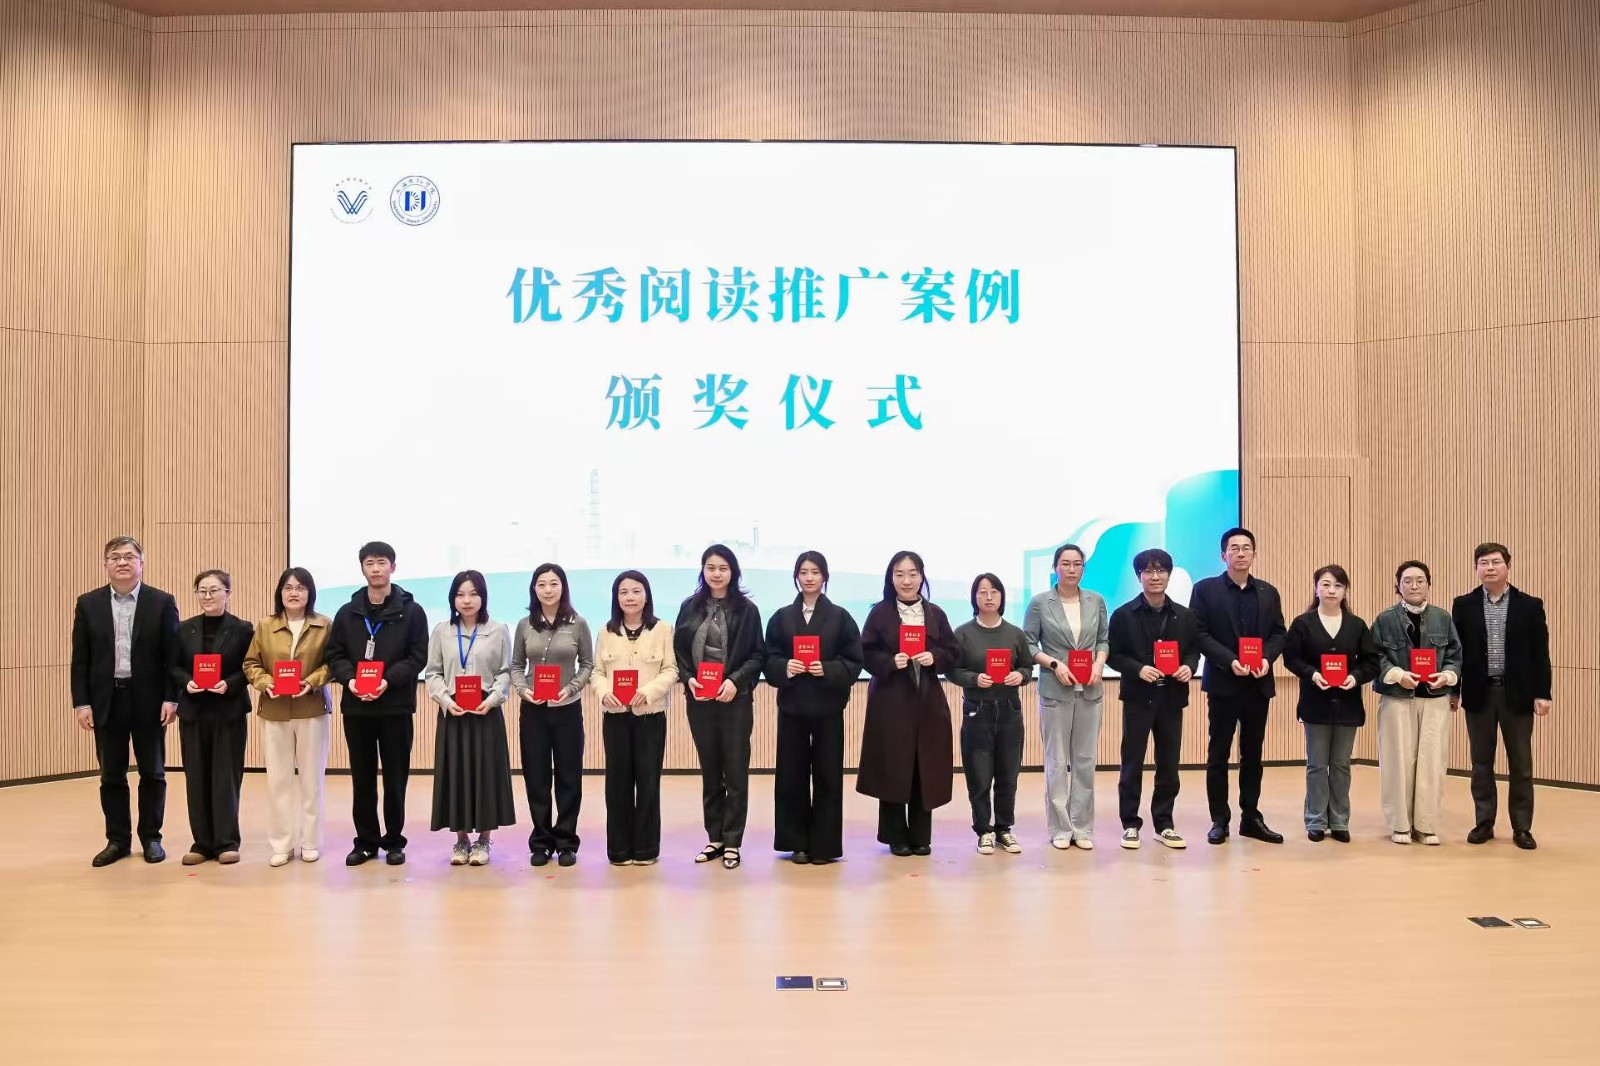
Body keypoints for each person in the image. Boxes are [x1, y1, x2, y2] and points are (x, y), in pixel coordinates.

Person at [70, 536, 181, 866]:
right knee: (111, 775)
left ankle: (151, 838)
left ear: (141, 564)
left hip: (149, 700)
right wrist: (82, 703)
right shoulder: (88, 604)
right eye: (115, 557)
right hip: (106, 701)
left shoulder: (161, 602)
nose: (122, 562)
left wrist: (171, 698)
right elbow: (81, 660)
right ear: (105, 564)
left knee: (153, 773)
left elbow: (172, 658)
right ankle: (117, 840)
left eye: (130, 557)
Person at [324, 541, 429, 867]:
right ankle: (366, 842)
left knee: (396, 779)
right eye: (370, 563)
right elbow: (335, 655)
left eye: (382, 562)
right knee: (362, 778)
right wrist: (350, 680)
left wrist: (388, 681)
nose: (376, 569)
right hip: (357, 707)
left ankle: (394, 841)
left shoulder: (412, 611)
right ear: (363, 569)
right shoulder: (348, 613)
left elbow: (418, 656)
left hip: (395, 706)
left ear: (392, 567)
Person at [1188, 527, 1288, 846]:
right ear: (1223, 555)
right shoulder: (1205, 590)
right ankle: (1220, 819)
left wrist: (1267, 659)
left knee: (1253, 754)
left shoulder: (1268, 592)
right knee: (1218, 753)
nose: (1241, 553)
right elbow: (1198, 633)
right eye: (1234, 548)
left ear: (1254, 554)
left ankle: (1251, 817)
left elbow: (1279, 633)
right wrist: (1229, 660)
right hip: (1224, 682)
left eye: (1247, 548)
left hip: (1257, 683)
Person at [855, 551, 959, 857]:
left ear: (922, 577)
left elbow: (953, 652)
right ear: (891, 578)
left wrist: (934, 657)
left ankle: (920, 835)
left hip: (927, 702)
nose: (906, 581)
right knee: (893, 766)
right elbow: (864, 653)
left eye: (913, 574)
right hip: (890, 701)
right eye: (899, 574)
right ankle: (895, 835)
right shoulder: (879, 613)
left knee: (922, 767)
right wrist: (889, 661)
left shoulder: (936, 613)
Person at [763, 551, 863, 865]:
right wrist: (784, 666)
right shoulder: (781, 617)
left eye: (815, 572)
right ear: (796, 577)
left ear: (825, 577)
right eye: (803, 572)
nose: (809, 578)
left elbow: (854, 660)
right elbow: (768, 658)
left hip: (828, 707)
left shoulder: (841, 617)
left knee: (828, 776)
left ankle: (824, 845)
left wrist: (828, 669)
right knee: (791, 775)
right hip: (792, 707)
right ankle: (797, 843)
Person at [1451, 542, 1552, 850]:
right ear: (1476, 569)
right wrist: (1454, 690)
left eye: (1496, 562)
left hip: (1517, 694)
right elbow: (1456, 652)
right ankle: (1484, 822)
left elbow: (1540, 654)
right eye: (1484, 563)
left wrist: (1542, 693)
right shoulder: (1463, 605)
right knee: (1481, 762)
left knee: (1521, 764)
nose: (1490, 567)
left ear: (1508, 566)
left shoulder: (1530, 605)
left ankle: (1522, 827)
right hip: (1479, 694)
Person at [674, 544, 765, 869]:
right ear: (703, 570)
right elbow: (679, 653)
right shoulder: (689, 607)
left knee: (736, 772)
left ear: (733, 572)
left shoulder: (747, 610)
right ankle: (715, 837)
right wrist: (689, 679)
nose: (716, 574)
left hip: (734, 700)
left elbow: (758, 655)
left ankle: (733, 841)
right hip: (700, 700)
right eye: (711, 567)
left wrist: (735, 682)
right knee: (710, 771)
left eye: (723, 568)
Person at [1106, 548, 1199, 850]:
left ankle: (1164, 824)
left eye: (1160, 570)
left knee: (1169, 764)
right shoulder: (1123, 615)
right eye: (1148, 571)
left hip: (1172, 698)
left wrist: (1189, 666)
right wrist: (1138, 668)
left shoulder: (1184, 615)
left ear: (1169, 575)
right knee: (1132, 762)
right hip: (1138, 697)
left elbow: (1193, 650)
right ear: (1139, 576)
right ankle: (1130, 825)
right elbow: (1113, 655)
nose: (1155, 576)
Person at [1282, 565, 1381, 842]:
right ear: (1316, 589)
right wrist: (1312, 674)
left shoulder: (1356, 625)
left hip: (1348, 704)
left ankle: (1339, 820)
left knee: (1340, 765)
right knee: (1316, 765)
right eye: (1325, 585)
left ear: (1345, 591)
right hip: (1315, 704)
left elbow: (1372, 662)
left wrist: (1355, 677)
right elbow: (1291, 657)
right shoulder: (1303, 623)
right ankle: (1315, 819)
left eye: (1338, 585)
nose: (1331, 591)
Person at [242, 567, 334, 866]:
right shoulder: (266, 625)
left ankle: (310, 841)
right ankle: (281, 844)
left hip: (311, 710)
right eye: (288, 588)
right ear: (280, 593)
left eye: (300, 588)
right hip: (274, 711)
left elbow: (332, 663)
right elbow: (251, 663)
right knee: (278, 780)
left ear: (310, 593)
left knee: (311, 780)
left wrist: (312, 681)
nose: (294, 593)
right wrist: (265, 682)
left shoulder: (324, 625)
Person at [424, 570, 515, 867]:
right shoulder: (441, 631)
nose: (467, 600)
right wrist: (445, 700)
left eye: (473, 594)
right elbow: (433, 672)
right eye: (460, 594)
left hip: (486, 712)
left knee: (486, 774)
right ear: (452, 598)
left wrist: (493, 699)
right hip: (454, 713)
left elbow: (505, 671)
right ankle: (461, 839)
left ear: (483, 597)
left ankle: (484, 840)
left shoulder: (498, 630)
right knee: (456, 773)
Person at [1023, 543, 1109, 851]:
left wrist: (1099, 664)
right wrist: (1054, 665)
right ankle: (1060, 827)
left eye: (1077, 564)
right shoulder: (1040, 603)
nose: (1072, 569)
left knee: (1085, 761)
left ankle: (1082, 827)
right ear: (1055, 567)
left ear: (1084, 568)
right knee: (1057, 762)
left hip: (1090, 690)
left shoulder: (1096, 600)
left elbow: (1103, 639)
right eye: (1066, 564)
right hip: (1055, 690)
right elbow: (1028, 644)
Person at [1372, 561, 1463, 846]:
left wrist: (1446, 676)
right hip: (1397, 698)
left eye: (1420, 580)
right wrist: (1398, 674)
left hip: (1435, 700)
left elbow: (1455, 655)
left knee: (1431, 762)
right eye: (1407, 580)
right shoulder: (1385, 619)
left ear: (1428, 584)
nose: (1414, 585)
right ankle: (1400, 824)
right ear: (1398, 585)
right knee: (1397, 761)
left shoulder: (1443, 618)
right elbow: (1375, 656)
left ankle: (1425, 825)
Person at [511, 562, 594, 868]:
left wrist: (571, 688)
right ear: (534, 589)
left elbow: (587, 664)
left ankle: (566, 842)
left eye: (554, 584)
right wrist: (523, 690)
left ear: (563, 587)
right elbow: (516, 665)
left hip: (567, 710)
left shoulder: (578, 623)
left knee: (569, 777)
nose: (548, 590)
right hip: (533, 710)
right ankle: (541, 842)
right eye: (542, 584)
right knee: (537, 777)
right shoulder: (525, 625)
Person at [592, 571, 678, 866]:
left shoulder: (663, 629)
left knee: (648, 782)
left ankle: (646, 849)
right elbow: (597, 671)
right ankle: (618, 850)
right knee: (617, 784)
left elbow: (671, 670)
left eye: (636, 591)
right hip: (615, 716)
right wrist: (604, 692)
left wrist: (649, 691)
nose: (630, 597)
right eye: (624, 592)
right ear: (616, 598)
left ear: (646, 595)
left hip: (649, 715)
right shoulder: (606, 631)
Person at [171, 570, 255, 865]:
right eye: (202, 591)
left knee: (225, 777)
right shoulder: (184, 629)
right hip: (194, 711)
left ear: (228, 593)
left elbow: (250, 667)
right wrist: (187, 682)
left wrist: (228, 684)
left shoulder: (242, 629)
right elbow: (173, 666)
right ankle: (202, 843)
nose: (208, 596)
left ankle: (227, 842)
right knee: (196, 777)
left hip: (228, 711)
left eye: (215, 590)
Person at [948, 573, 1034, 855]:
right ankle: (984, 830)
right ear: (974, 597)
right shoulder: (963, 633)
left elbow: (1027, 666)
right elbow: (952, 670)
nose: (988, 597)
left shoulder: (1015, 633)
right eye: (982, 592)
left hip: (1009, 710)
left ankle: (1004, 829)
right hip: (977, 710)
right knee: (979, 774)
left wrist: (1020, 676)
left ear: (1002, 597)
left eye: (994, 591)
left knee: (1008, 773)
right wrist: (974, 679)